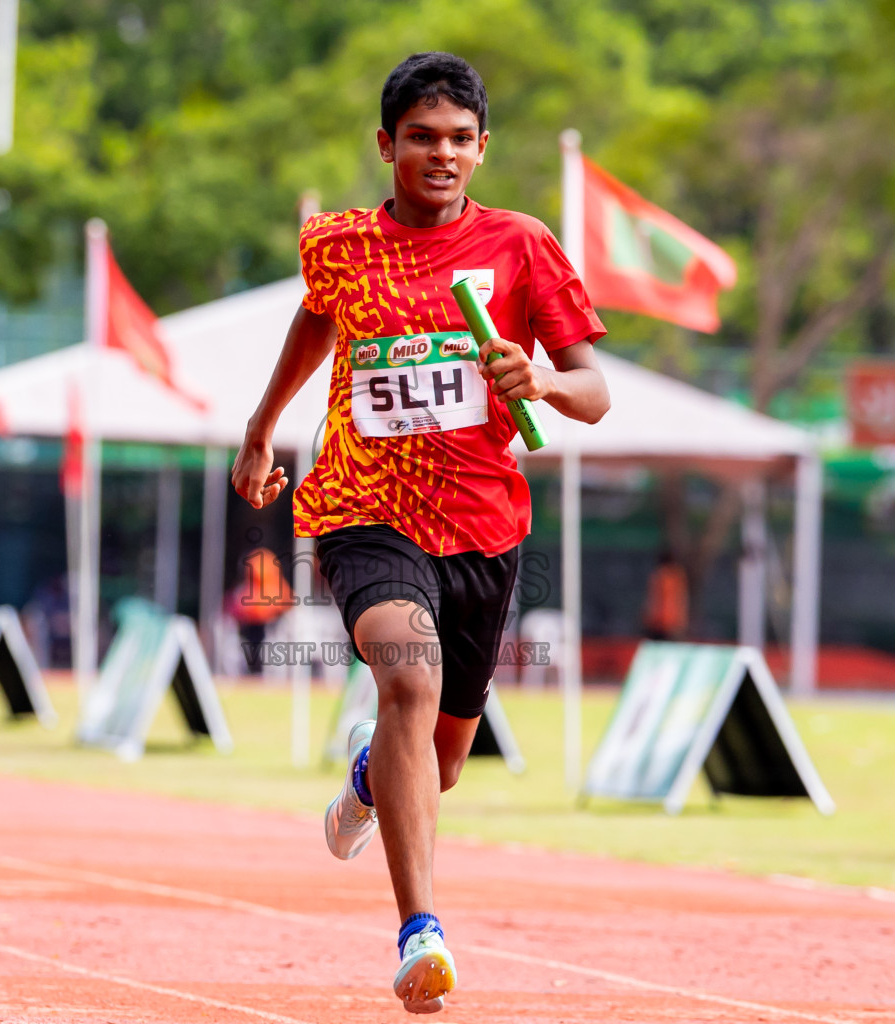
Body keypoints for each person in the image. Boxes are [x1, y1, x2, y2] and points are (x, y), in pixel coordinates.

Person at [231, 52, 609, 1014]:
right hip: (363, 509)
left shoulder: (521, 245)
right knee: (407, 675)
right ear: (386, 144)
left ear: (482, 149)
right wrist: (263, 426)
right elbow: (317, 324)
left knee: (437, 764)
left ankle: (369, 775)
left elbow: (596, 393)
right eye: (421, 137)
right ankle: (420, 932)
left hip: (483, 524)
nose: (441, 154)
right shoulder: (340, 244)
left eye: (459, 139)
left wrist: (542, 380)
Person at [641, 546, 689, 641]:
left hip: (661, 620)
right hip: (668, 621)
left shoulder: (661, 575)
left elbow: (652, 599)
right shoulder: (676, 575)